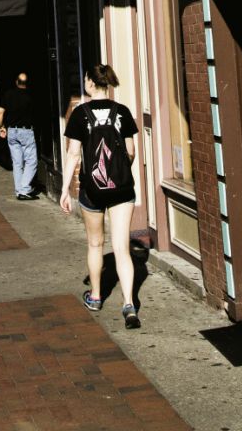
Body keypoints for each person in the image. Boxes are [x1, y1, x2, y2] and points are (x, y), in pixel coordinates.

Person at [60, 63, 141, 330]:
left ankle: (95, 297)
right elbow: (130, 152)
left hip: (91, 190)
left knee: (96, 244)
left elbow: (73, 154)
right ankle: (129, 303)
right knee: (121, 248)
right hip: (122, 190)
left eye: (85, 79)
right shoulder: (123, 112)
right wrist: (116, 173)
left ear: (92, 83)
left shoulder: (80, 114)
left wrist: (65, 190)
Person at [0, 72, 38, 201]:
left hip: (12, 132)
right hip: (26, 131)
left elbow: (0, 112)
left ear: (16, 82)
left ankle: (19, 190)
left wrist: (2, 127)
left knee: (17, 162)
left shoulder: (8, 94)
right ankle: (24, 188)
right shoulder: (31, 95)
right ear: (27, 83)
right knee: (32, 161)